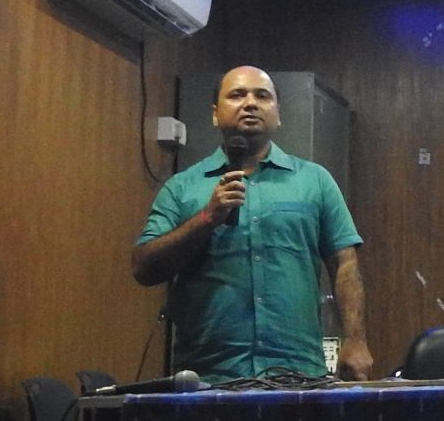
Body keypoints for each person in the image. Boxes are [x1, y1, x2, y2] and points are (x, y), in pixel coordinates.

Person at [132, 65, 373, 383]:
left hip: (297, 372)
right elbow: (144, 268)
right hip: (210, 376)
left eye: (262, 96)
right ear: (215, 114)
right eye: (237, 95)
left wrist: (356, 341)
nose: (250, 103)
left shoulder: (315, 181)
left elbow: (345, 264)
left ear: (278, 114)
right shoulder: (181, 187)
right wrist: (206, 219)